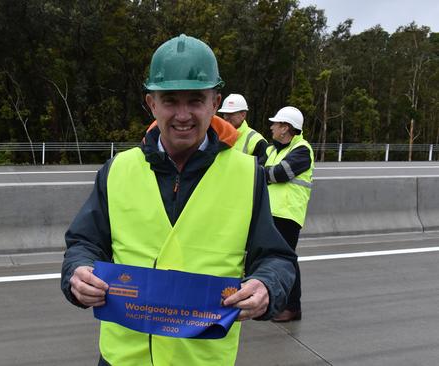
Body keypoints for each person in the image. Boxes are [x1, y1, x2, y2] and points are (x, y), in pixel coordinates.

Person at [61, 34, 297, 366]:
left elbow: (277, 257)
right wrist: (78, 272)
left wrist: (267, 286)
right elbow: (83, 242)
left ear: (215, 103)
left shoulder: (248, 175)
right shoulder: (117, 171)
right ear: (151, 103)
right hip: (122, 360)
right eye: (170, 100)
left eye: (195, 100)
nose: (182, 114)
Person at [264, 106, 315, 323]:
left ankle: (293, 307)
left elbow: (279, 174)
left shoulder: (303, 150)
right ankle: (272, 301)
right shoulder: (273, 150)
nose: (272, 127)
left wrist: (259, 174)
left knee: (287, 261)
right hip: (271, 212)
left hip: (288, 215)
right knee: (269, 259)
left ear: (285, 128)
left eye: (276, 124)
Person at [218, 93, 268, 162]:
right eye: (225, 113)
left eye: (231, 114)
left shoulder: (257, 141)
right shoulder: (216, 136)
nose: (226, 117)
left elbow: (261, 171)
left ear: (243, 115)